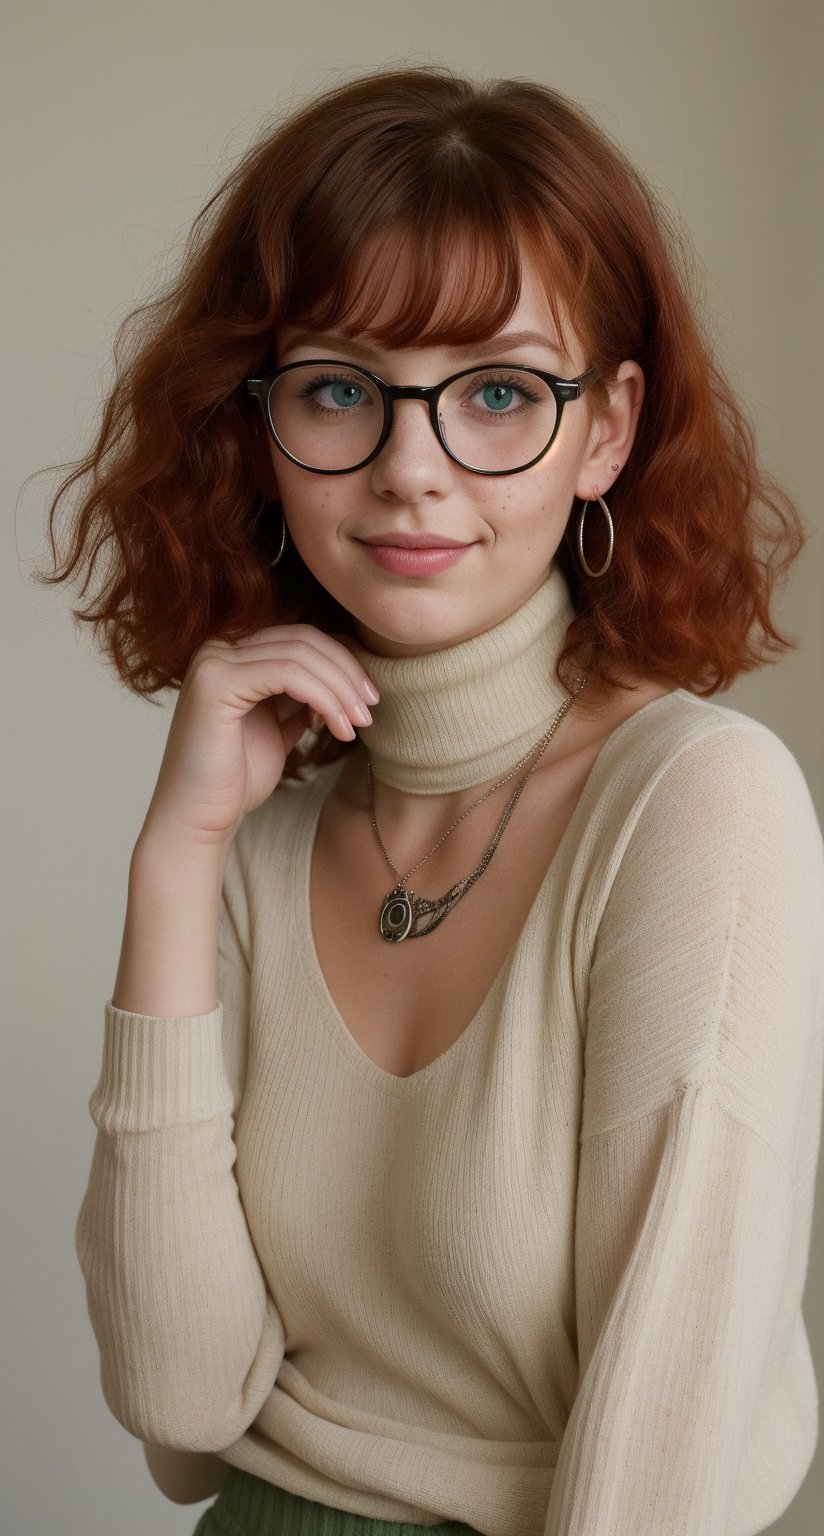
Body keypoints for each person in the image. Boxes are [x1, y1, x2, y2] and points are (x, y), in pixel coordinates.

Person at [40, 66, 823, 1536]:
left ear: (605, 430)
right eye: (340, 387)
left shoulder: (700, 809)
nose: (411, 470)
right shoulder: (263, 839)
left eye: (499, 394)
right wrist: (176, 858)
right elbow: (182, 1413)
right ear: (259, 427)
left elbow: (665, 1475)